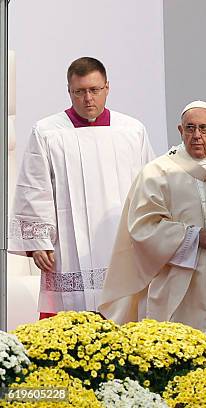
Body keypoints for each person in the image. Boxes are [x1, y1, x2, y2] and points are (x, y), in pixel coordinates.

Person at [99, 101, 206, 330]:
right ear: (180, 130)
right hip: (186, 292)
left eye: (204, 129)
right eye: (190, 128)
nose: (196, 135)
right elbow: (142, 228)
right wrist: (192, 237)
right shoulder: (157, 174)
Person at [8, 57, 155, 318]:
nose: (88, 98)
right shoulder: (48, 132)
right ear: (69, 91)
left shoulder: (132, 130)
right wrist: (39, 241)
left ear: (107, 87)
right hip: (69, 246)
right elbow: (34, 188)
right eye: (80, 91)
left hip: (122, 242)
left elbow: (150, 187)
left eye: (94, 90)